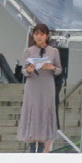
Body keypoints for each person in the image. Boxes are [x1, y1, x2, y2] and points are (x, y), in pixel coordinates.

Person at [17, 23, 62, 153]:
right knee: (32, 110)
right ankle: (31, 145)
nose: (39, 37)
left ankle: (42, 144)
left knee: (45, 110)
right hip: (33, 84)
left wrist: (51, 67)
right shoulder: (28, 51)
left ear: (47, 36)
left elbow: (59, 70)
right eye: (36, 34)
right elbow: (23, 71)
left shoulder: (53, 51)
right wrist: (29, 70)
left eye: (42, 34)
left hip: (47, 84)